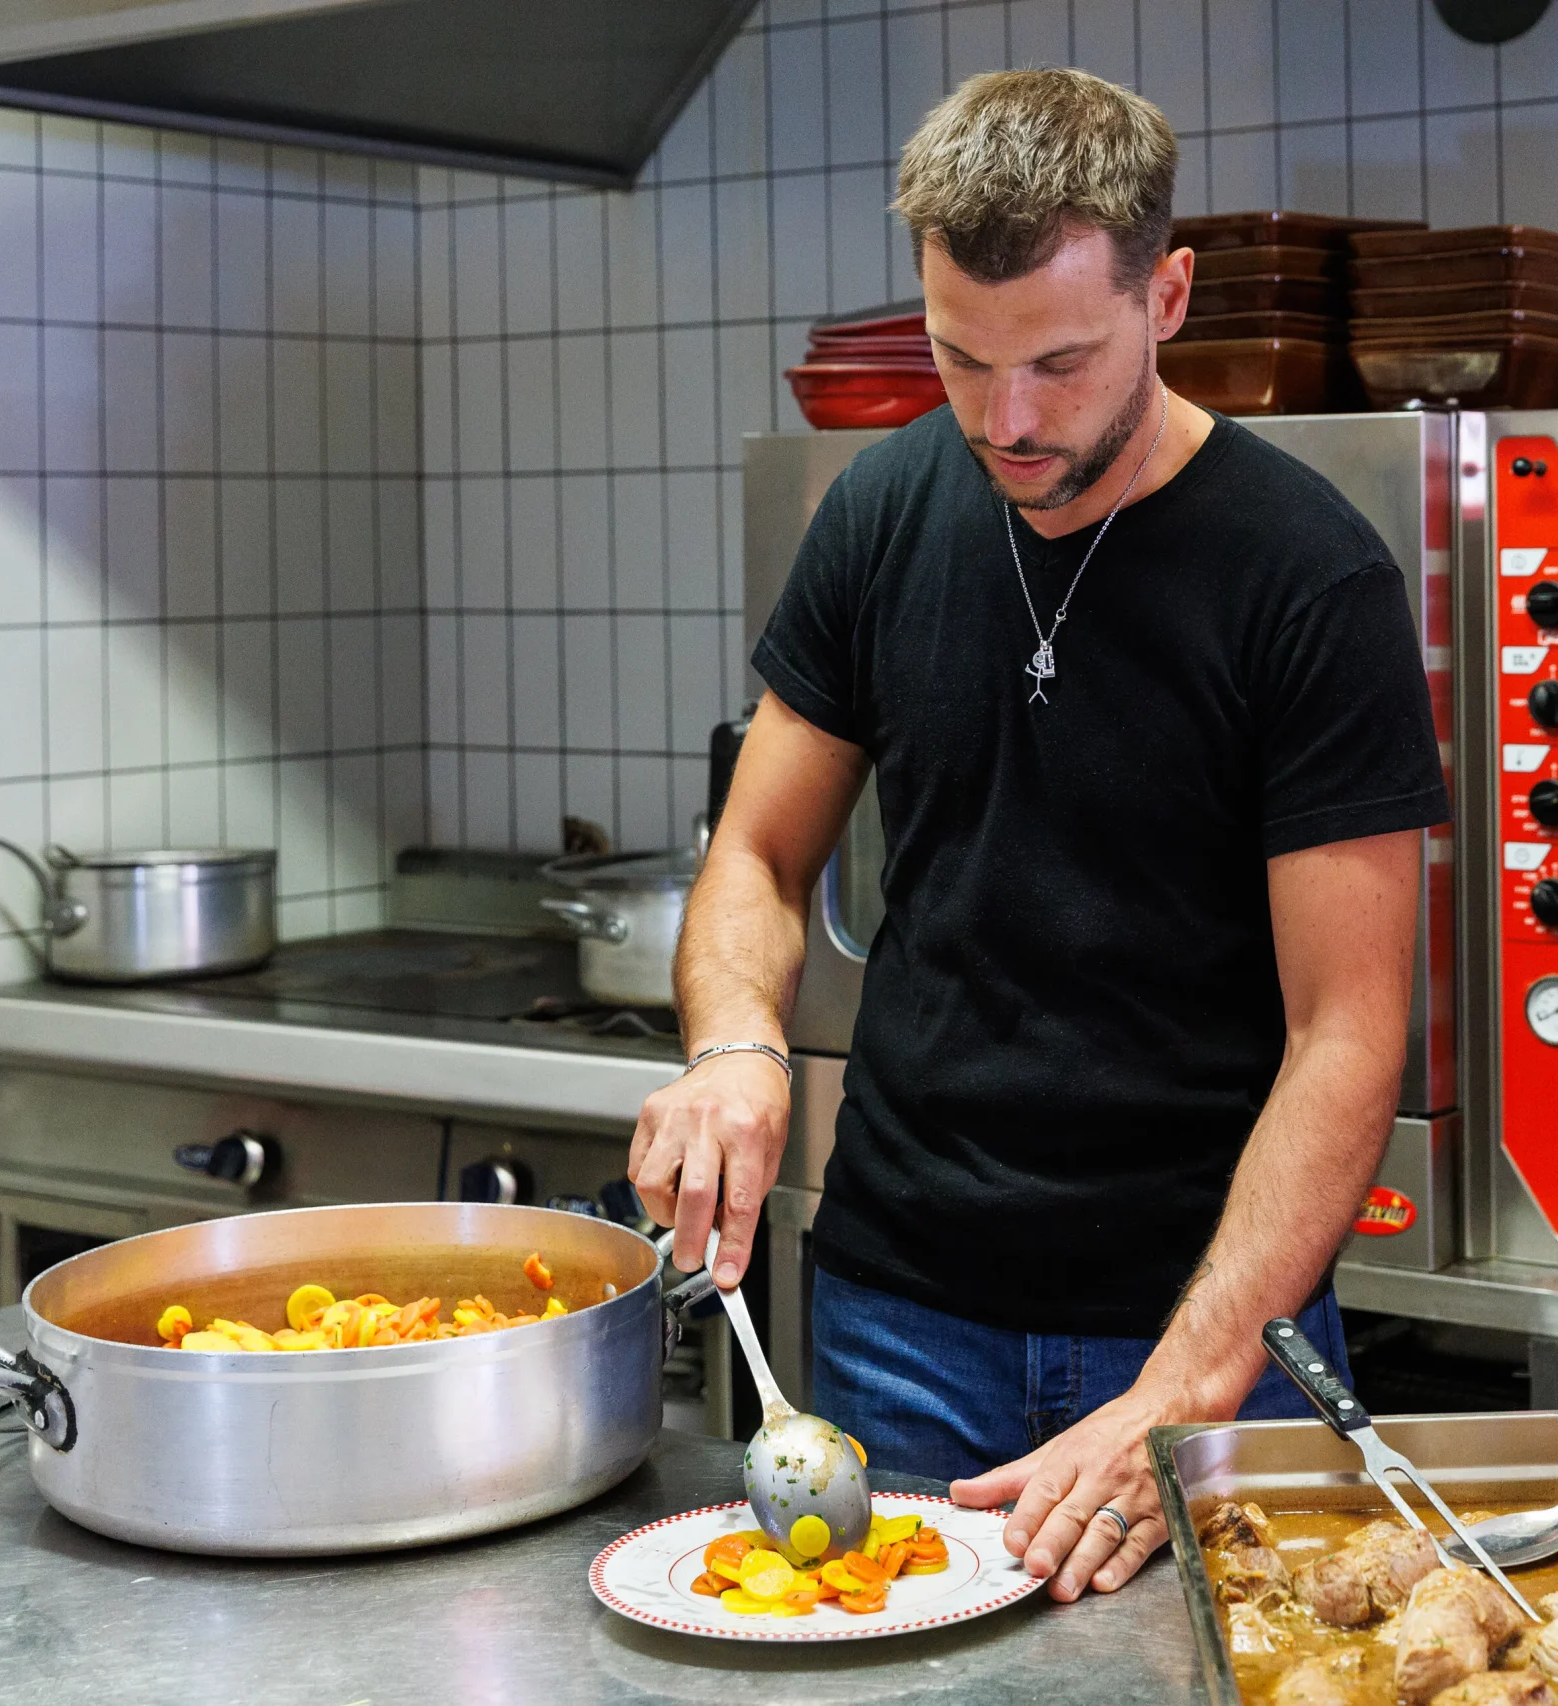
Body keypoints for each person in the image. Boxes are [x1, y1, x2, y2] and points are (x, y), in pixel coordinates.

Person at [628, 67, 1447, 1603]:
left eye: (1061, 364)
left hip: (1208, 1328)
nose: (1007, 422)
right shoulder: (879, 512)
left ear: (1169, 294)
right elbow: (757, 856)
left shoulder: (1305, 580)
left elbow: (1349, 1029)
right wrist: (733, 1043)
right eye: (961, 359)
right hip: (897, 1321)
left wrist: (1179, 1387)